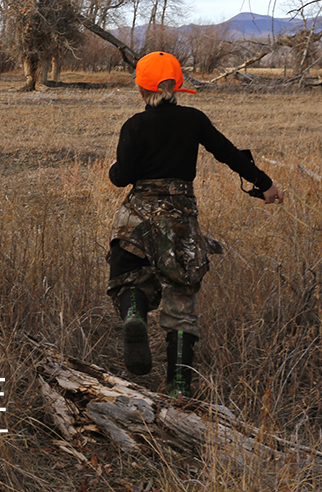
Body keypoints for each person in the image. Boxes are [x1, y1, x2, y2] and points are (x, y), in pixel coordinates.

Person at [107, 51, 283, 398]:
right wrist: (265, 185)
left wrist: (115, 167)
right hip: (180, 217)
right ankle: (179, 389)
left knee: (126, 272)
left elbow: (121, 177)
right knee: (182, 298)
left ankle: (135, 315)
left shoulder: (134, 125)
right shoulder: (194, 120)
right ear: (177, 85)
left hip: (138, 214)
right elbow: (229, 154)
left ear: (141, 88)